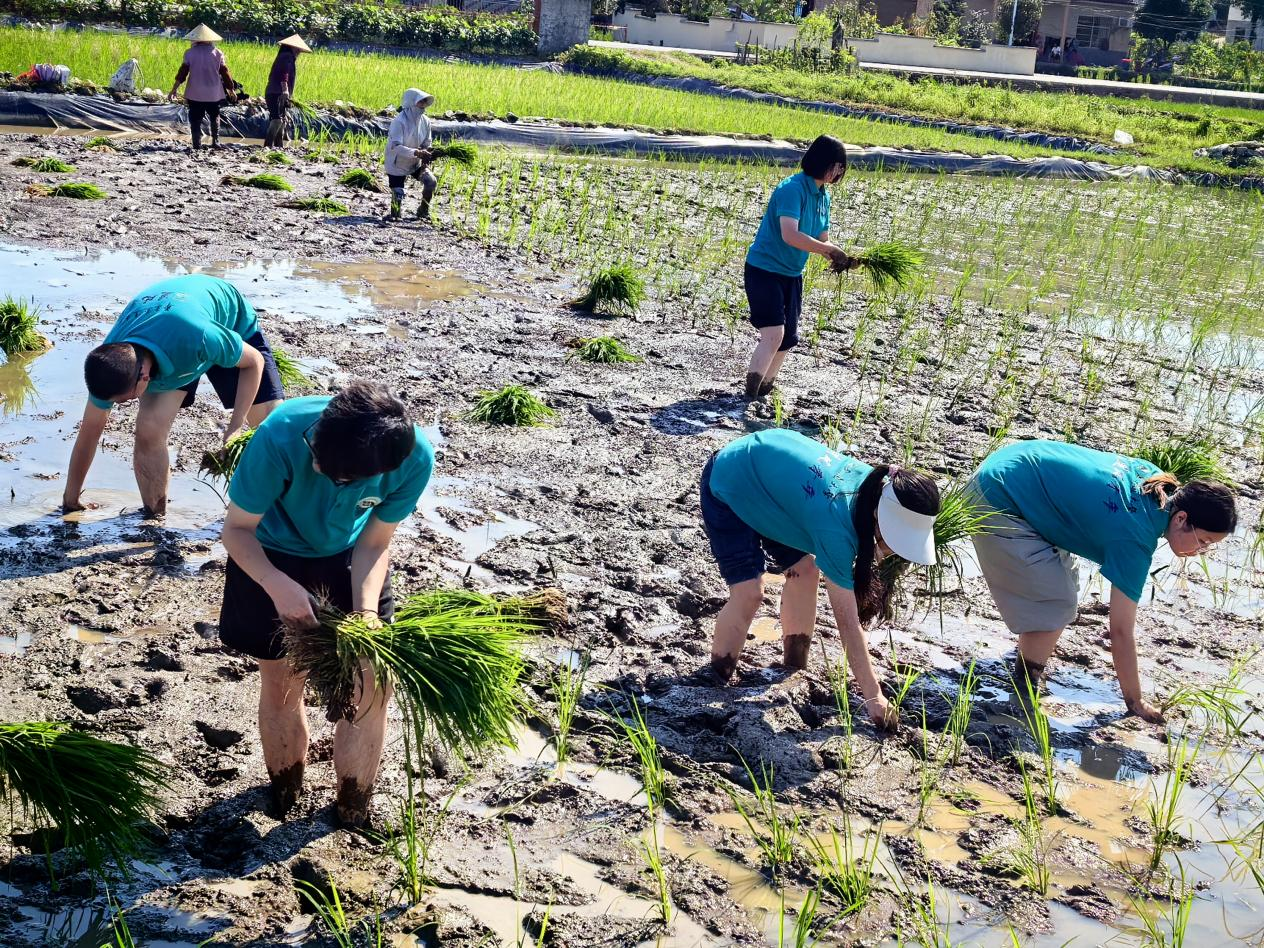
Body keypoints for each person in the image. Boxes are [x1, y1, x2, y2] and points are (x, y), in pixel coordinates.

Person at [218, 381, 435, 827]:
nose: (318, 467)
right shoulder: (280, 435)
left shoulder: (412, 460)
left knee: (372, 681)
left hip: (350, 554)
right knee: (282, 678)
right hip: (268, 550)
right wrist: (277, 585)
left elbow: (375, 541)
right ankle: (285, 793)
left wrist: (366, 614)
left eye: (339, 477)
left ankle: (354, 809)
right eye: (318, 459)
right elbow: (236, 531)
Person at [968, 440, 1238, 723]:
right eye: (1203, 541)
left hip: (1010, 464)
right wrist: (1135, 702)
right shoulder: (1135, 536)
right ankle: (1024, 685)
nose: (1200, 551)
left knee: (1065, 584)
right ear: (1182, 518)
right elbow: (1120, 631)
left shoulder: (1157, 483)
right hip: (996, 497)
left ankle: (1030, 652)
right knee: (1056, 605)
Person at [700, 428, 940, 729]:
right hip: (731, 481)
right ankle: (717, 676)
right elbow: (847, 623)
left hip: (781, 493)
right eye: (898, 540)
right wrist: (874, 697)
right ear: (881, 519)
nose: (895, 550)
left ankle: (793, 667)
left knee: (806, 570)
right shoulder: (837, 527)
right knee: (749, 593)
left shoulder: (874, 490)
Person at [63, 275, 284, 517]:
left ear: (144, 377)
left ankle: (270, 516)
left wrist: (235, 425)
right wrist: (70, 500)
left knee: (270, 430)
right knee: (149, 428)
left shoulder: (198, 335)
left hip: (227, 326)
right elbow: (90, 432)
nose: (121, 405)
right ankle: (154, 516)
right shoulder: (110, 360)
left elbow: (253, 362)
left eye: (125, 400)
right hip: (172, 344)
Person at [742, 134, 857, 401]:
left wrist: (846, 258)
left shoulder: (822, 197)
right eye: (838, 165)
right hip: (764, 270)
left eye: (842, 167)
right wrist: (829, 251)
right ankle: (748, 396)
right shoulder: (792, 189)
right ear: (823, 163)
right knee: (773, 334)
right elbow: (790, 235)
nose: (840, 172)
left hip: (792, 274)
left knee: (787, 339)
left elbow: (823, 239)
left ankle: (764, 391)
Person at [169, 24, 235, 151]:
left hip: (195, 92)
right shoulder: (217, 53)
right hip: (213, 92)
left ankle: (196, 144)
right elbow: (225, 73)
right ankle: (215, 141)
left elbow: (182, 73)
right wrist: (231, 89)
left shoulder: (189, 53)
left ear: (195, 39)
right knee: (215, 115)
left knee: (195, 118)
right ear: (210, 40)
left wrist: (174, 89)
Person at [384, 88, 438, 222]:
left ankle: (423, 211)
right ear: (411, 102)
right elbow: (396, 146)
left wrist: (425, 163)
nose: (424, 105)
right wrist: (416, 152)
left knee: (431, 182)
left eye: (425, 101)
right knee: (397, 196)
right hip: (397, 162)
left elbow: (427, 144)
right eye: (421, 101)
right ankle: (395, 213)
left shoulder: (425, 121)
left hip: (416, 162)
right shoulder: (399, 121)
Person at [263, 34, 310, 149]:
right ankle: (267, 146)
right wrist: (285, 91)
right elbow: (284, 74)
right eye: (298, 49)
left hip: (277, 93)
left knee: (282, 120)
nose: (299, 52)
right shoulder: (287, 57)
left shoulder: (284, 56)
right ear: (292, 48)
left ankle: (279, 146)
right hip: (276, 93)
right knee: (277, 120)